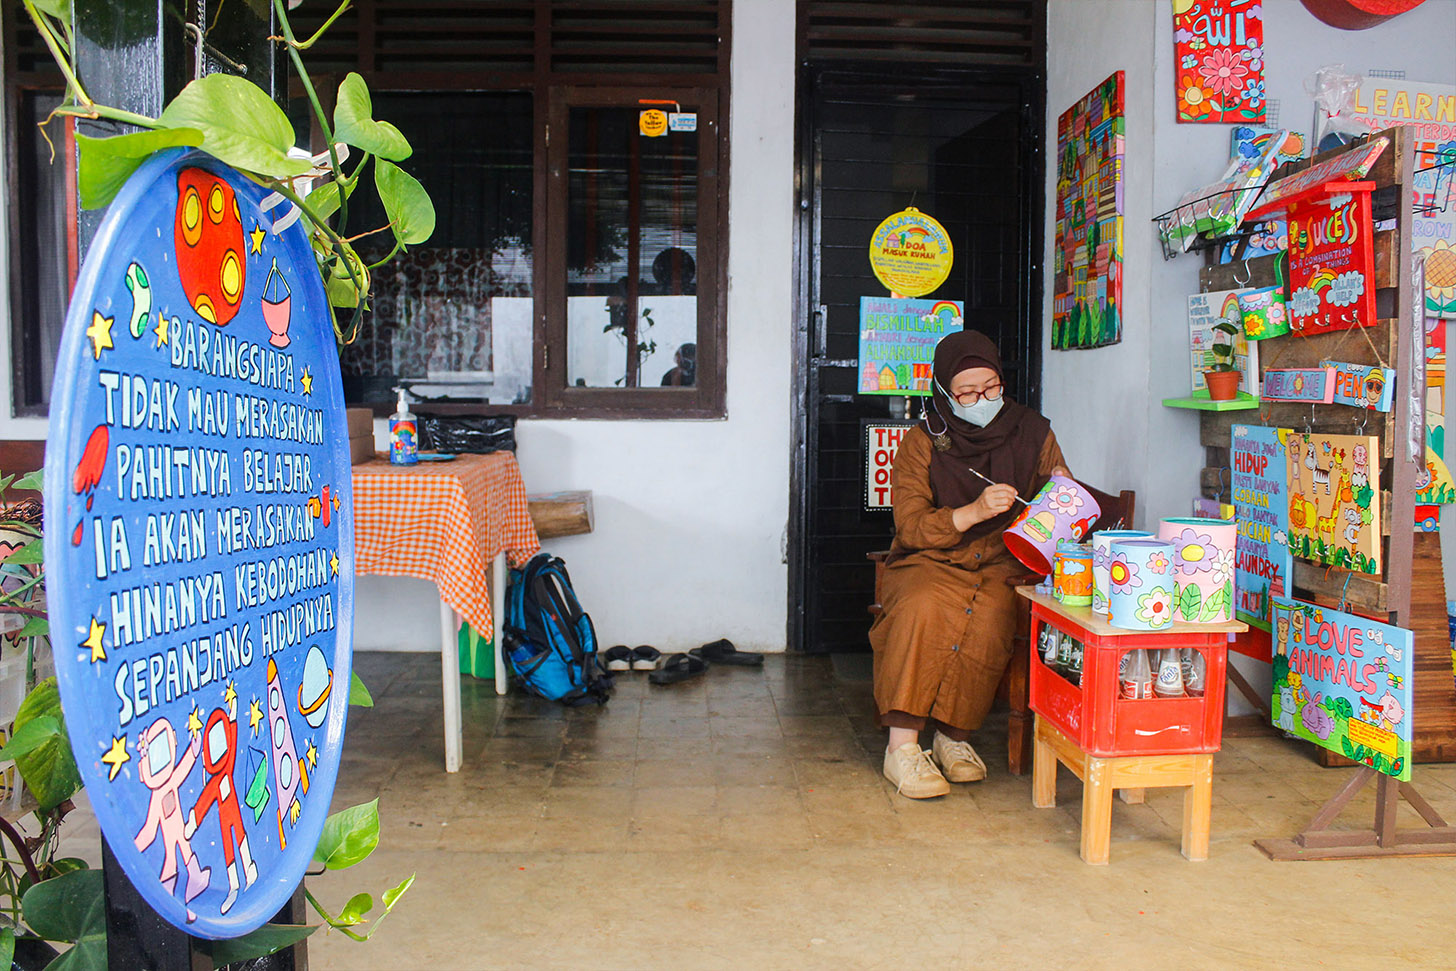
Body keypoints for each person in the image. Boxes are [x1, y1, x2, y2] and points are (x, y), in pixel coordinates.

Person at [868, 330, 1069, 798]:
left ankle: (953, 738)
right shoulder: (922, 442)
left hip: (1002, 561)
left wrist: (1061, 489)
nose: (982, 399)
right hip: (930, 559)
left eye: (992, 387)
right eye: (967, 392)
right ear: (944, 391)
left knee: (993, 616)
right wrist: (973, 513)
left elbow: (1058, 511)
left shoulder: (1033, 430)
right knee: (921, 607)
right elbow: (911, 525)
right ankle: (902, 747)